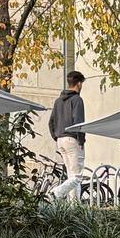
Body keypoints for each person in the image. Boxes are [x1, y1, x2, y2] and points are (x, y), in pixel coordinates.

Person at [49, 69, 88, 201]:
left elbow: (51, 122)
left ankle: (75, 206)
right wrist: (81, 141)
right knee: (77, 177)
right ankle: (57, 192)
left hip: (60, 140)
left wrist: (56, 136)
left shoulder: (58, 101)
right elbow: (79, 122)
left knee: (71, 176)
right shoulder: (77, 100)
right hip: (73, 139)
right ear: (78, 84)